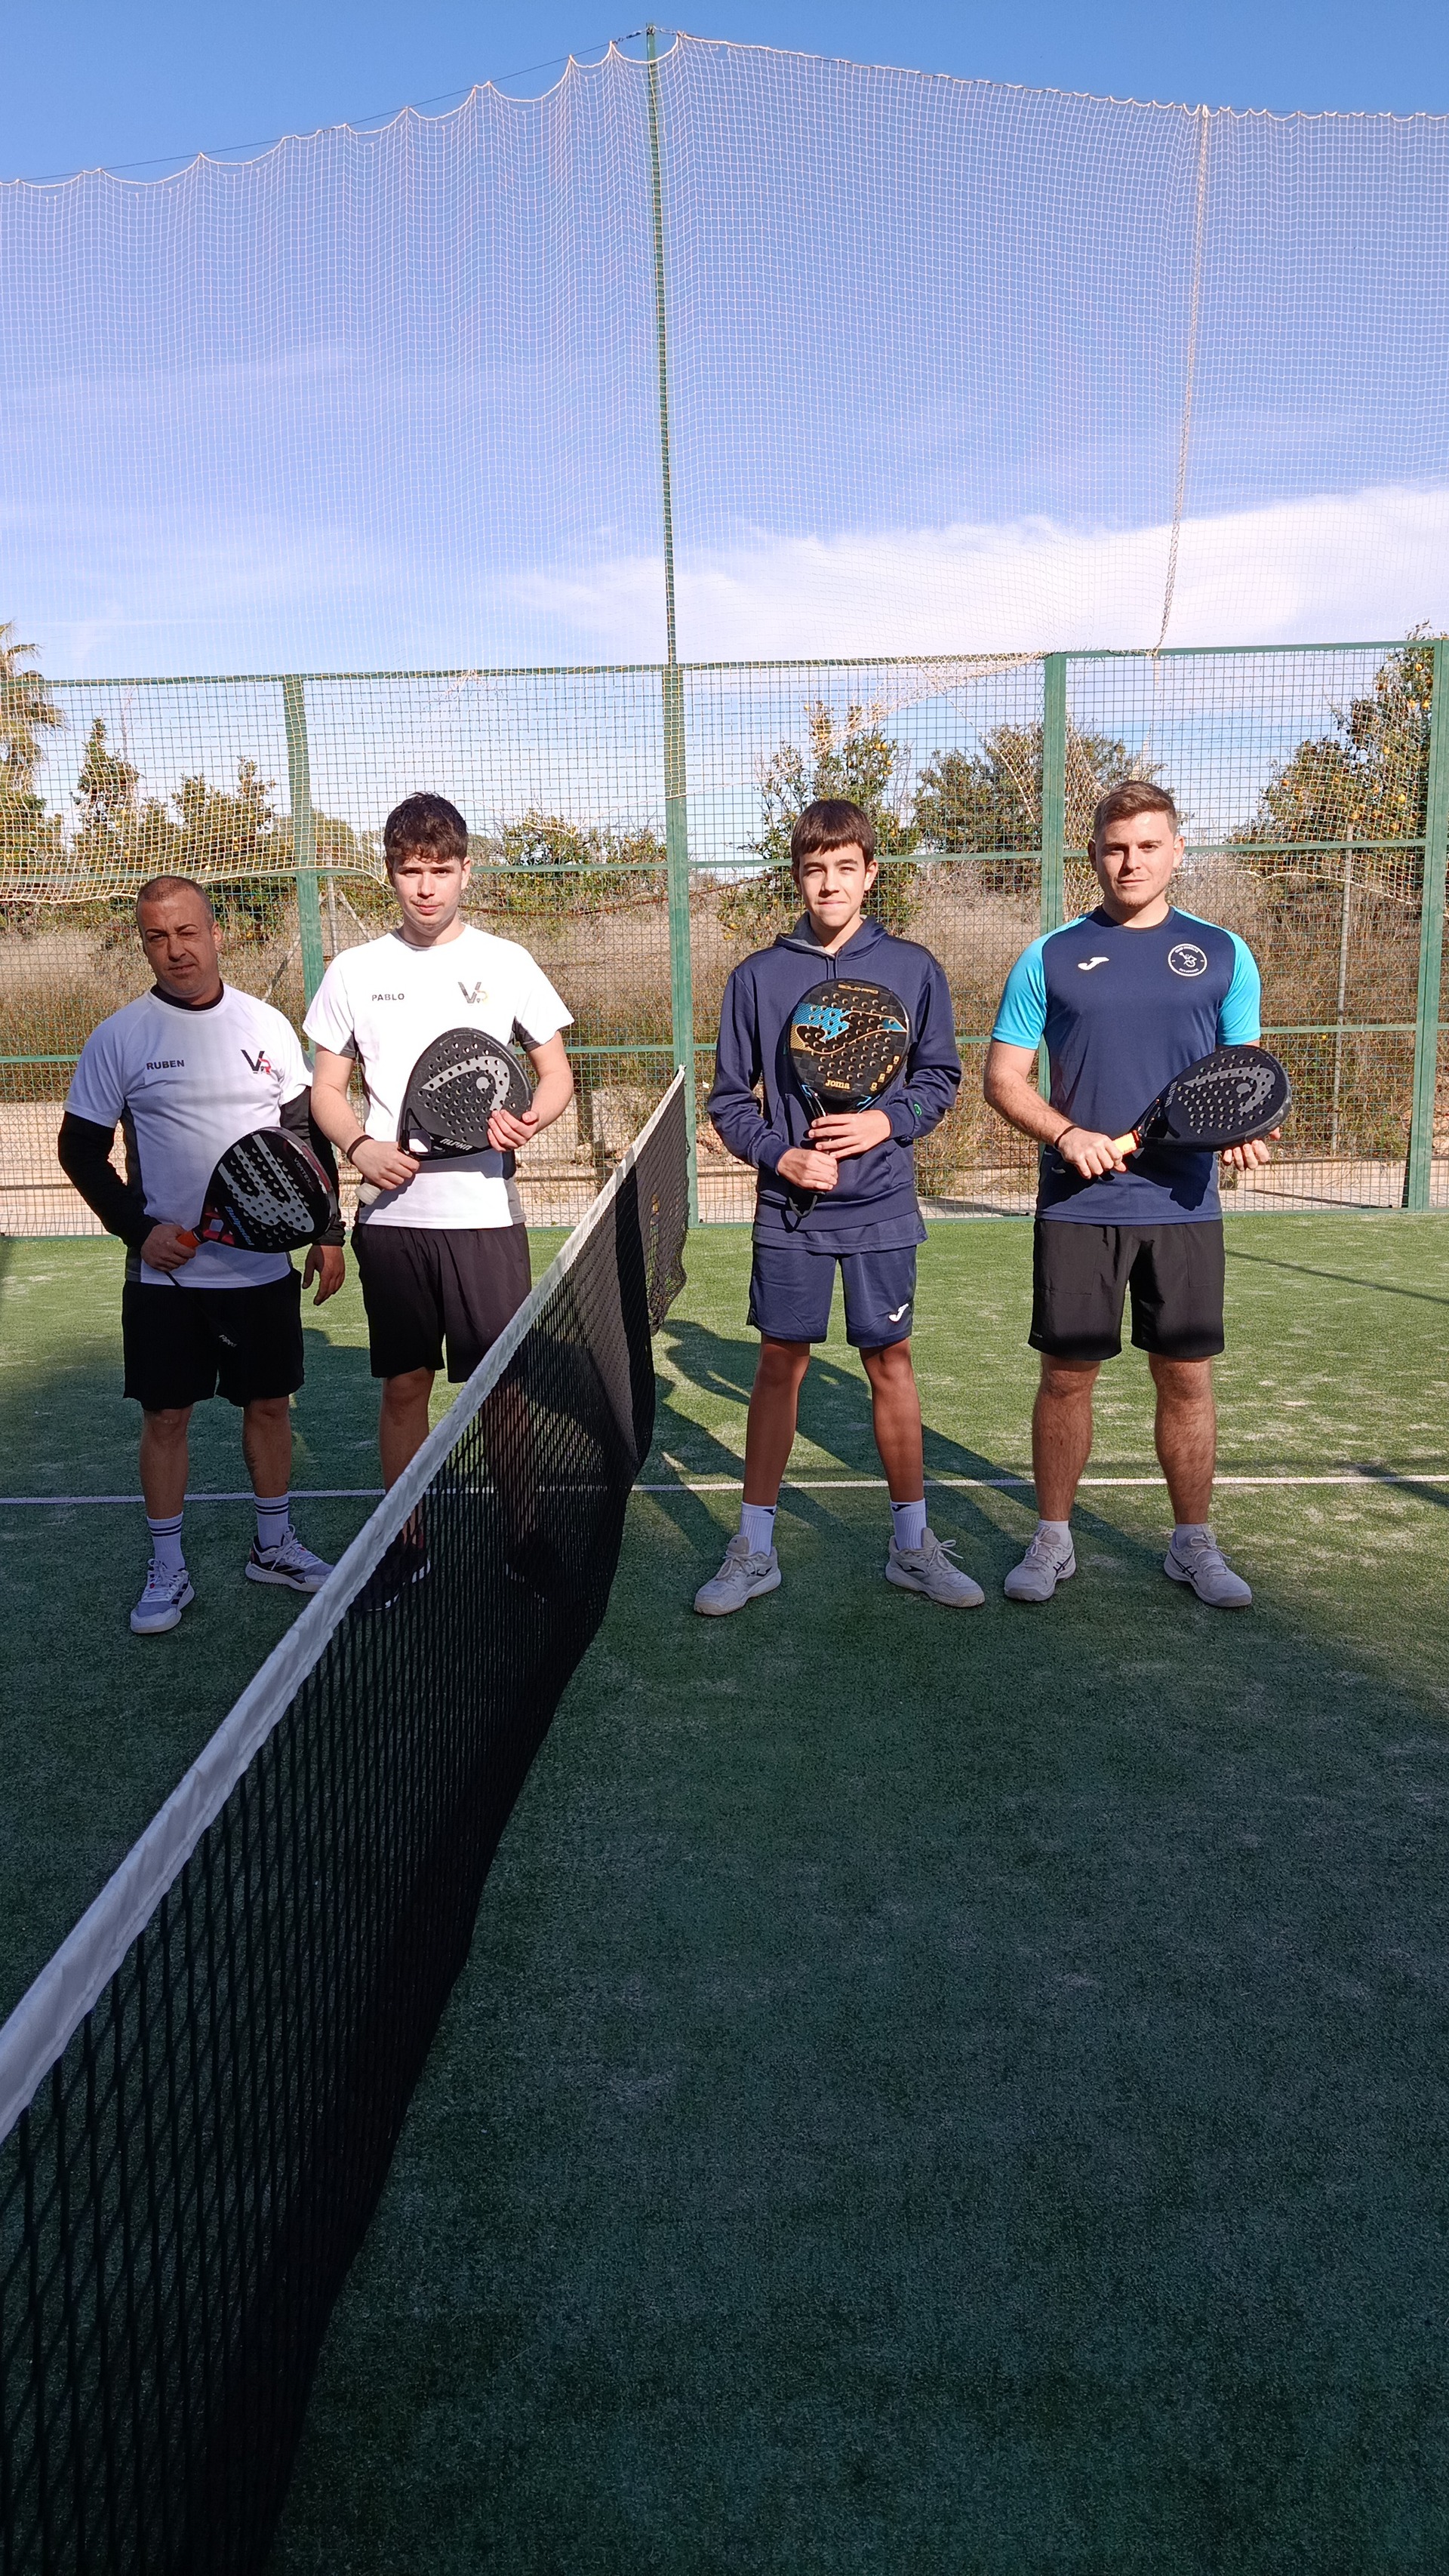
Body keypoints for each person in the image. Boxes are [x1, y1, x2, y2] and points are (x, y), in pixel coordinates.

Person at [983, 779, 1272, 1609]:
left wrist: (1242, 1130)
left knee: (1186, 1380)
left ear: (1178, 851)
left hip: (1184, 1207)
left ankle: (1192, 1544)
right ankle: (1053, 1539)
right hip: (1079, 1206)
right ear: (1094, 856)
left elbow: (1243, 1076)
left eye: (1148, 845)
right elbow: (1005, 1079)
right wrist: (1064, 1134)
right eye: (1116, 848)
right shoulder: (1048, 956)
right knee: (1066, 1378)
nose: (1131, 861)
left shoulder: (1225, 954)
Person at [697, 796, 974, 1615]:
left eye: (846, 868)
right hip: (790, 1214)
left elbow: (941, 1077)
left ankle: (912, 1544)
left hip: (883, 1206)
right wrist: (779, 1154)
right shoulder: (756, 978)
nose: (830, 884)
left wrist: (888, 1121)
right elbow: (728, 1101)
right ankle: (754, 1549)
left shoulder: (914, 968)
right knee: (780, 1364)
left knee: (891, 1362)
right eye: (815, 869)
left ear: (870, 873)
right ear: (797, 876)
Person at [57, 874, 346, 1636]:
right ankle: (168, 1566)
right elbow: (80, 1150)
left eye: (187, 932)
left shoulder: (266, 1025)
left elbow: (303, 1140)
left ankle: (273, 1546)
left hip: (261, 1271)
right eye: (157, 937)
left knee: (271, 1405)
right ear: (144, 945)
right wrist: (138, 1229)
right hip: (167, 1278)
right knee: (166, 1417)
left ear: (216, 935)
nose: (175, 949)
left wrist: (328, 1231)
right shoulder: (120, 1037)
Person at [304, 793, 574, 1514]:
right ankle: (407, 1540)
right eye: (411, 870)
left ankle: (522, 1534)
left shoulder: (507, 962)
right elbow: (325, 1089)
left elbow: (556, 1074)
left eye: (441, 870)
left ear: (466, 871)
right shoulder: (353, 971)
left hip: (485, 1216)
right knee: (406, 1385)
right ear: (390, 873)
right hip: (393, 1220)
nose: (426, 887)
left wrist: (531, 1119)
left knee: (503, 1386)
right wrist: (360, 1145)